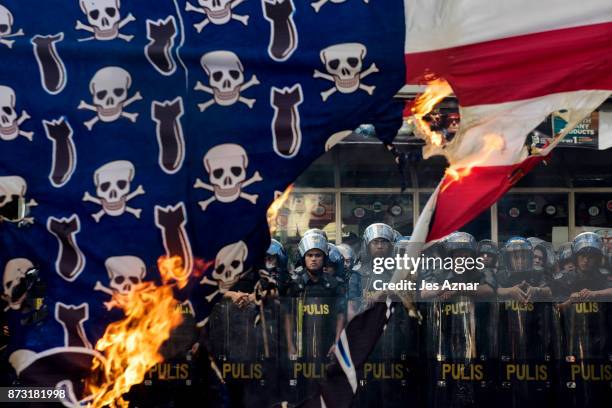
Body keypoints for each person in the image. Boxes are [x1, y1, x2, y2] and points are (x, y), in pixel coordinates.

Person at [420, 232, 496, 408]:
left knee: (473, 376)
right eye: (458, 254)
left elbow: (489, 290)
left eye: (466, 254)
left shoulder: (480, 271)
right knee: (446, 377)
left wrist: (459, 287)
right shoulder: (440, 272)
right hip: (445, 332)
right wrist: (445, 288)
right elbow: (424, 291)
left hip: (474, 333)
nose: (462, 258)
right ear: (451, 256)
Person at [281, 233, 346, 402]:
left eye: (318, 255)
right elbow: (288, 315)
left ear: (324, 258)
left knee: (327, 389)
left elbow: (341, 314)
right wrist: (290, 345)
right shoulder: (295, 284)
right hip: (302, 346)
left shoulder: (334, 284)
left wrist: (337, 342)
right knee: (302, 389)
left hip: (327, 344)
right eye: (310, 255)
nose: (314, 259)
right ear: (304, 257)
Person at [496, 237, 555, 408]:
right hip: (506, 338)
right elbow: (491, 290)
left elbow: (554, 290)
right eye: (515, 257)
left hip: (534, 339)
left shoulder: (538, 274)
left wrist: (538, 290)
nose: (520, 261)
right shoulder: (501, 275)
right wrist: (508, 291)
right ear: (508, 259)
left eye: (523, 256)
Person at [555, 232, 611, 408]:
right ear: (576, 257)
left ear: (597, 259)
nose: (586, 260)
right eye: (582, 256)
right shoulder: (564, 279)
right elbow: (555, 309)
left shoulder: (603, 279)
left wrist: (595, 294)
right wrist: (570, 301)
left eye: (591, 257)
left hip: (598, 344)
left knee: (598, 391)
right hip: (571, 341)